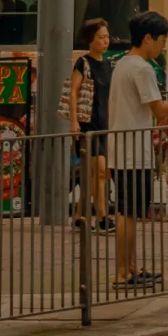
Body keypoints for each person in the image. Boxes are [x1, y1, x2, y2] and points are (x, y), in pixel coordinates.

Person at [108, 9, 168, 285]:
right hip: (132, 151)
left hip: (122, 147)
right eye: (162, 40)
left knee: (130, 212)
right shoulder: (142, 69)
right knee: (128, 214)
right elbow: (161, 112)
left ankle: (131, 268)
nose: (164, 45)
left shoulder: (123, 64)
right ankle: (122, 273)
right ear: (148, 38)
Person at [69, 17, 113, 230]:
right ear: (90, 41)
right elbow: (73, 91)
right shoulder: (83, 63)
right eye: (101, 37)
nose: (106, 41)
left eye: (107, 37)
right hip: (87, 124)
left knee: (90, 175)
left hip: (103, 123)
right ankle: (103, 217)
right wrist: (73, 121)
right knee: (101, 170)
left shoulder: (107, 63)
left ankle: (79, 217)